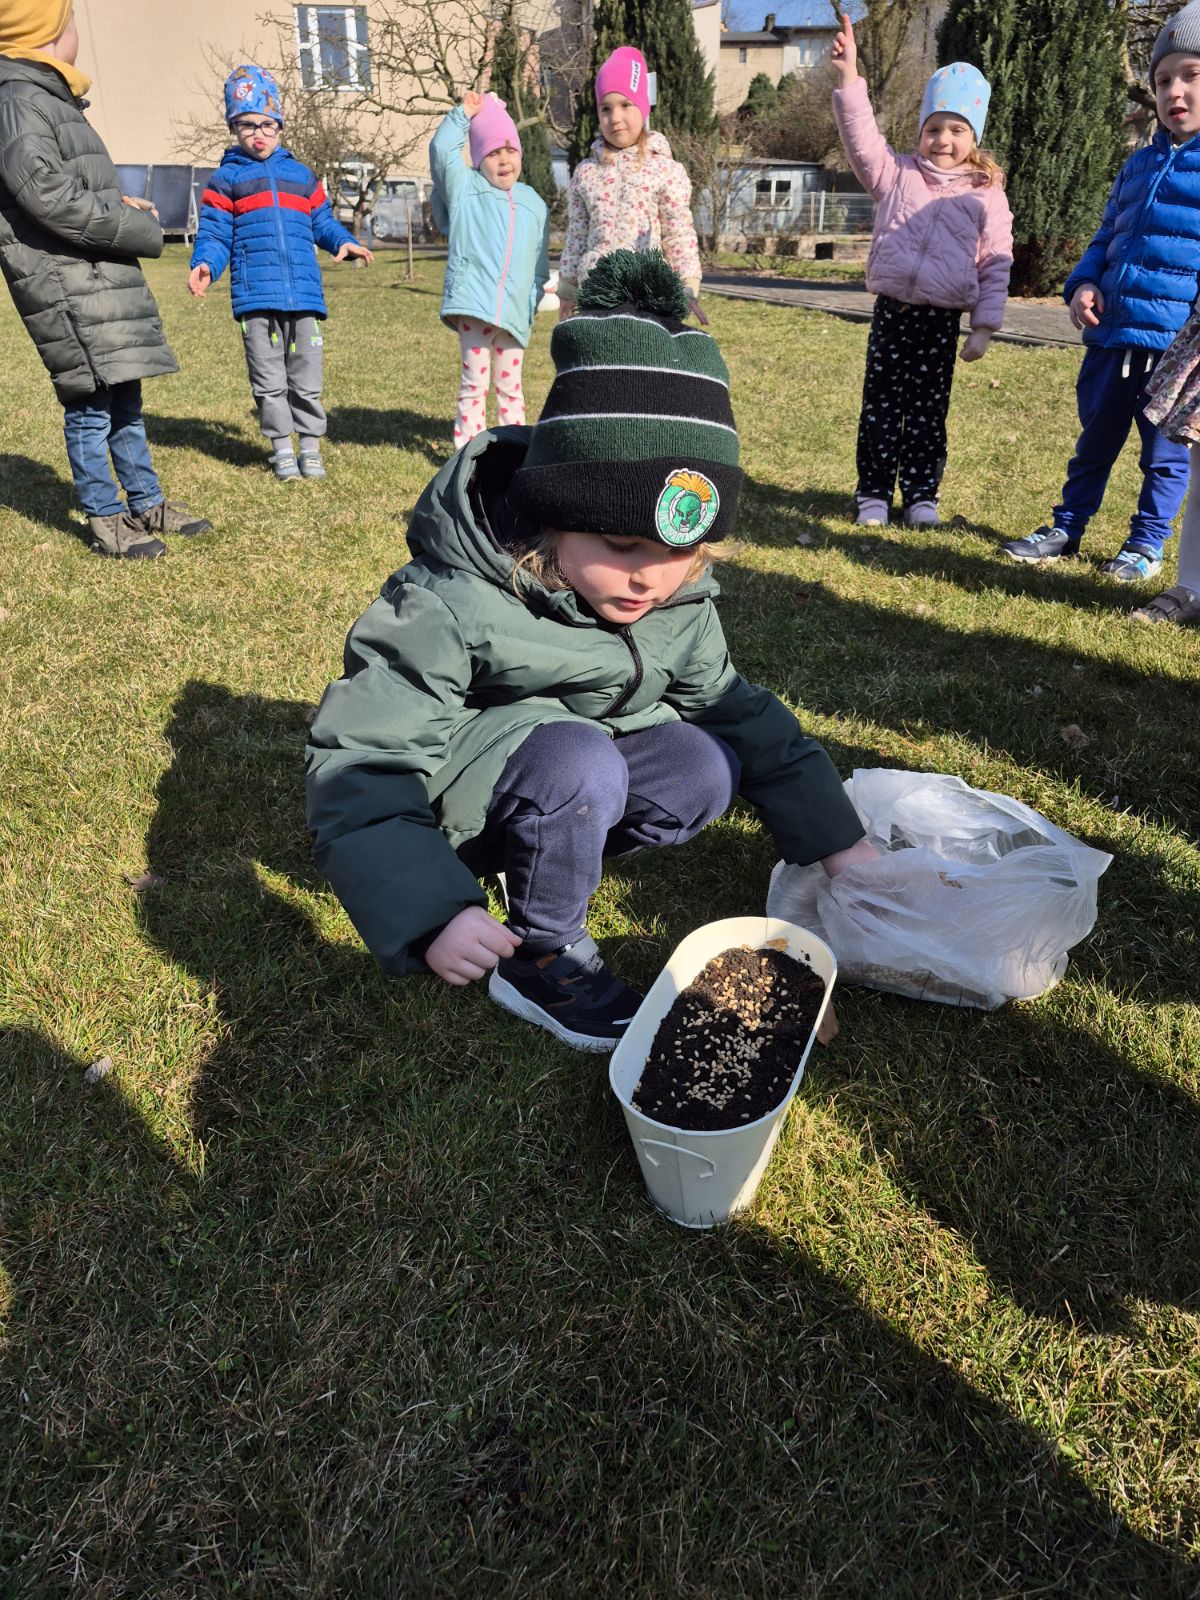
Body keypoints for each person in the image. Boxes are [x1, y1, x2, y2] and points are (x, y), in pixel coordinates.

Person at [305, 250, 878, 1052]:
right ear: (554, 515)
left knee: (704, 767)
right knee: (578, 762)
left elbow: (742, 715)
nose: (650, 579)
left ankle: (546, 855)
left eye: (680, 553)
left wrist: (839, 841)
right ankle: (541, 955)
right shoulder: (450, 600)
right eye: (621, 545)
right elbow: (363, 758)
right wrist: (433, 910)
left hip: (570, 777)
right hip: (456, 805)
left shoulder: (675, 602)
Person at [0, 0, 211, 559]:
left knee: (125, 400)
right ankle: (106, 517)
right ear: (46, 30)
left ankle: (146, 502)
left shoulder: (48, 96)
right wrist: (138, 228)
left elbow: (68, 183)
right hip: (67, 287)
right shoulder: (18, 98)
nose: (76, 31)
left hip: (94, 279)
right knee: (91, 408)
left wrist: (117, 201)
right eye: (69, 20)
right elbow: (46, 195)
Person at [1001, 2, 1200, 581]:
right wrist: (1083, 282)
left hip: (1175, 349)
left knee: (1164, 456)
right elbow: (1106, 236)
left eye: (1192, 75)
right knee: (1094, 441)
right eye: (1162, 80)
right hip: (1112, 336)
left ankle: (1145, 544)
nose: (1174, 91)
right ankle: (1067, 525)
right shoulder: (1136, 166)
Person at [831, 15, 1012, 529]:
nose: (942, 140)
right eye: (933, 128)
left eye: (956, 130)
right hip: (893, 313)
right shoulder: (896, 176)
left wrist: (984, 326)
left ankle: (920, 496)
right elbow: (862, 139)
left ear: (973, 137)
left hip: (939, 322)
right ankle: (873, 493)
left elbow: (996, 261)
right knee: (881, 406)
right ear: (920, 131)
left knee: (928, 413)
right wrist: (848, 79)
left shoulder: (986, 196)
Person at [188, 65, 373, 482]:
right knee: (268, 379)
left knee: (306, 377)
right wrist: (205, 265)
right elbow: (215, 234)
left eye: (268, 124)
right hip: (256, 298)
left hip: (304, 296)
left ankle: (310, 447)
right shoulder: (226, 180)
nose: (259, 134)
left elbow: (322, 221)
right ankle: (282, 450)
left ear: (280, 125)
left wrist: (343, 242)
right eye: (248, 124)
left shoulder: (301, 176)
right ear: (233, 127)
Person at [428, 91, 549, 447]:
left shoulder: (534, 203)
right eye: (493, 153)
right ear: (479, 159)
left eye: (510, 150)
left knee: (511, 387)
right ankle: (468, 451)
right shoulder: (465, 188)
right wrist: (463, 114)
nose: (504, 159)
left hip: (514, 313)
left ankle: (514, 449)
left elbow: (540, 263)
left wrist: (531, 300)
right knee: (475, 384)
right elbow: (441, 151)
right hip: (474, 307)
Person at [557, 46, 705, 325]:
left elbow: (678, 232)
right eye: (606, 108)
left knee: (638, 350)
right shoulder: (586, 172)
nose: (615, 118)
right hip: (595, 292)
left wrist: (688, 284)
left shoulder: (665, 170)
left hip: (646, 293)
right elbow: (576, 234)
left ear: (643, 107)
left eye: (626, 105)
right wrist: (567, 287)